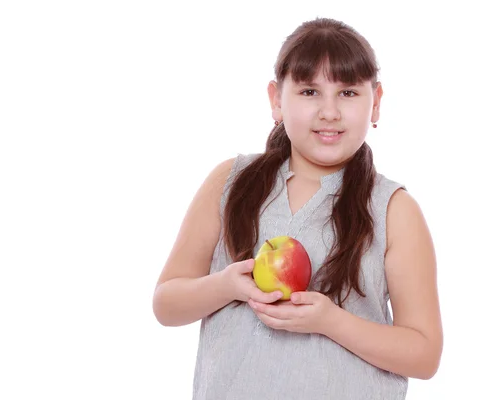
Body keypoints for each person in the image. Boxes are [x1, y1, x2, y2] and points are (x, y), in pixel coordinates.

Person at [153, 17, 443, 400]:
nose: (329, 111)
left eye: (348, 93)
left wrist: (329, 321)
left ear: (376, 103)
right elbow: (166, 303)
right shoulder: (230, 182)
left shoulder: (393, 210)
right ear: (276, 99)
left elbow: (424, 355)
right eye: (309, 92)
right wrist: (225, 285)